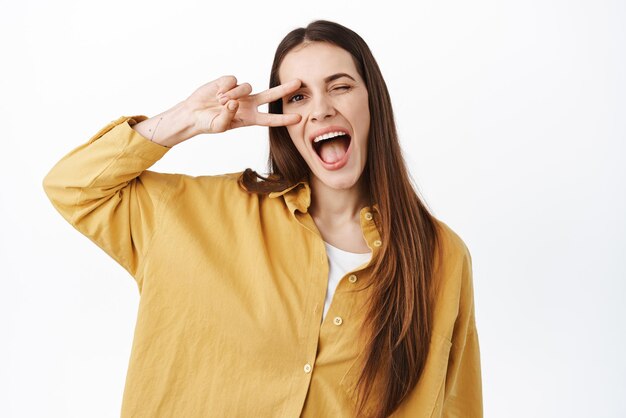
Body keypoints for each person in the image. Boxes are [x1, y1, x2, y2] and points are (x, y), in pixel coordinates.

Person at [43, 20, 482, 418]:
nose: (321, 108)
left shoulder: (441, 257)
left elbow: (457, 406)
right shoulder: (196, 214)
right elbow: (72, 187)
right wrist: (185, 121)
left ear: (373, 101)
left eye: (341, 86)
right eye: (298, 96)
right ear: (282, 120)